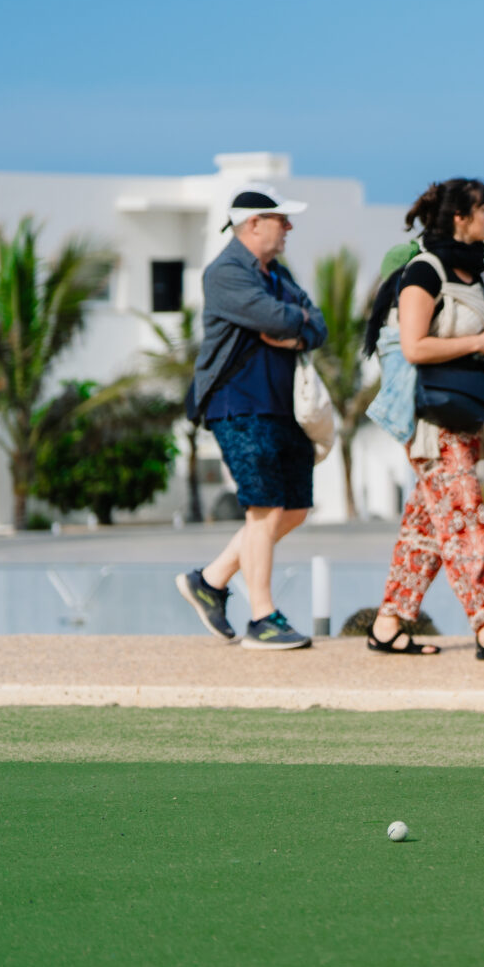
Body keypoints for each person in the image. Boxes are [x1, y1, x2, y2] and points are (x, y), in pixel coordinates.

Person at [364, 178, 484, 660]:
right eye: (483, 209)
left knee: (426, 531)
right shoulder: (424, 272)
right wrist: (476, 345)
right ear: (459, 219)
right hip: (431, 421)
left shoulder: (474, 274)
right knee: (464, 520)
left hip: (465, 418)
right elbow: (414, 346)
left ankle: (388, 625)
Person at [174, 185, 327, 650]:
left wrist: (297, 328)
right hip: (237, 404)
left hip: (282, 407)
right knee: (264, 508)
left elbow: (315, 324)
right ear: (254, 224)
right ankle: (262, 617)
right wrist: (292, 322)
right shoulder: (224, 273)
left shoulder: (277, 274)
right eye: (281, 219)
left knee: (295, 507)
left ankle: (211, 580)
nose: (289, 228)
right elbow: (278, 319)